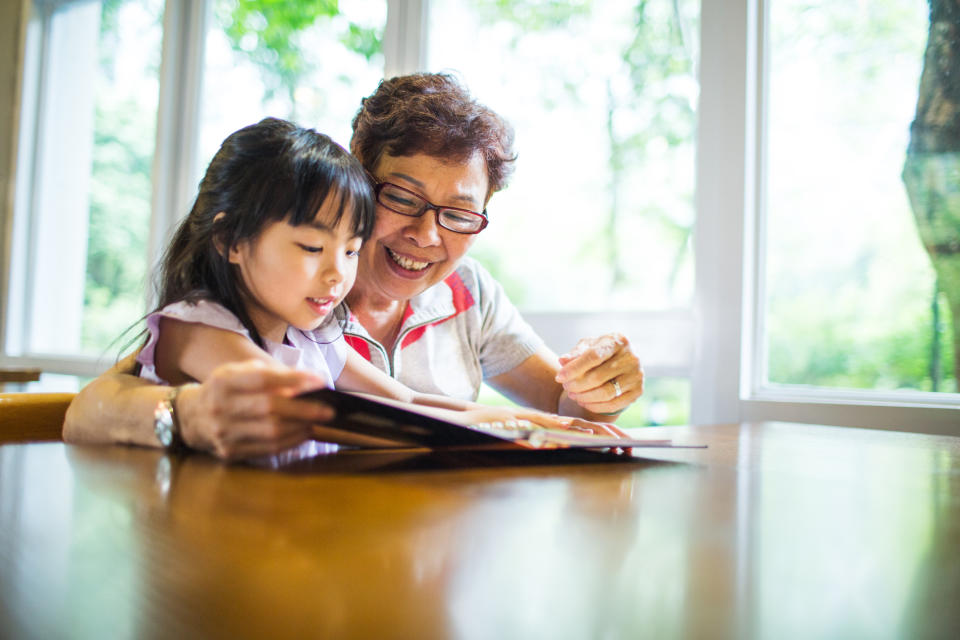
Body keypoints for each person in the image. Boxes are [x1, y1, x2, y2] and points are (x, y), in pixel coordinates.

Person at [64, 73, 644, 460]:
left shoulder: (330, 320)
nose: (426, 234)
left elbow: (414, 403)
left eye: (459, 214)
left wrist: (577, 405)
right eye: (402, 199)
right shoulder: (258, 304)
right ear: (359, 181)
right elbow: (99, 403)